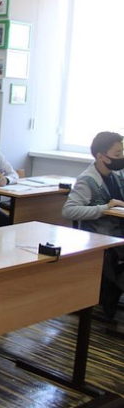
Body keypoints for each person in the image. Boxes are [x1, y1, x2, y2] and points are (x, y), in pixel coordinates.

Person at [62, 131, 124, 318]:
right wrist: (104, 208)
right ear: (101, 156)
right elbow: (68, 211)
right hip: (102, 236)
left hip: (117, 232)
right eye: (117, 154)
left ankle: (113, 288)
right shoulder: (88, 180)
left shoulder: (116, 174)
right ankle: (112, 289)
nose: (121, 157)